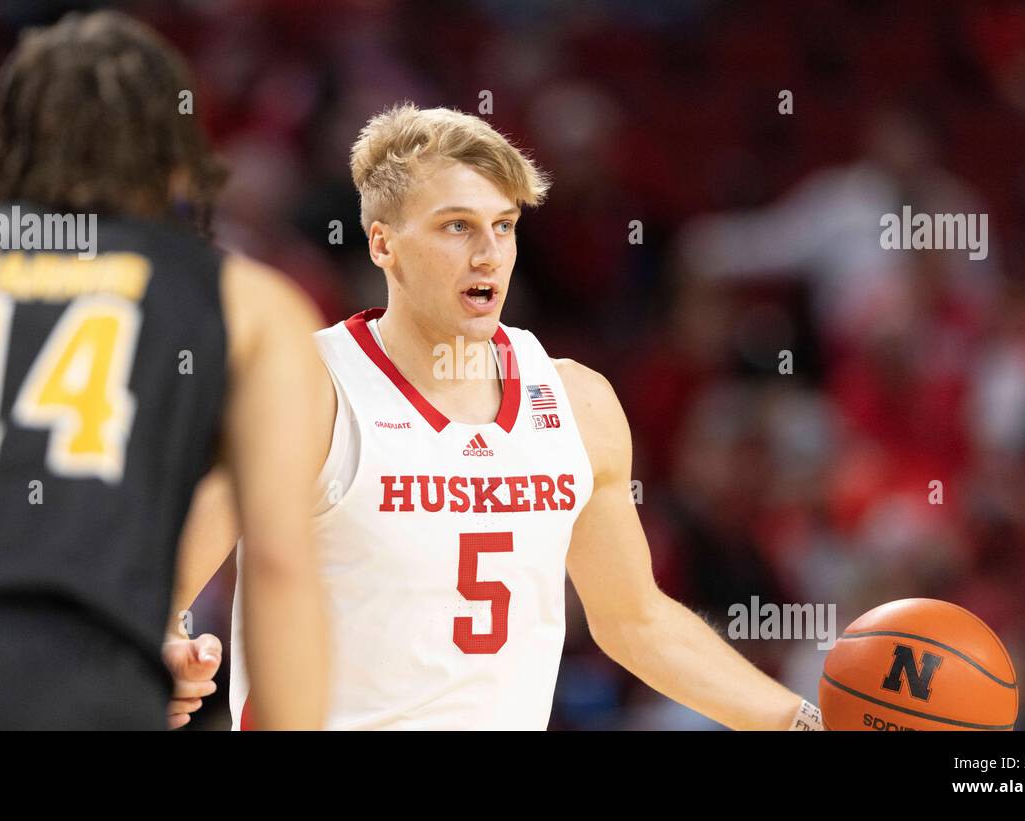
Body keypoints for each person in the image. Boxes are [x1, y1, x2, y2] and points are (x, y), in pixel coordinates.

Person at [172, 104, 822, 731]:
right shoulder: (304, 392)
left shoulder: (576, 401)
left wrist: (797, 720)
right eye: (456, 226)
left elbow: (636, 619)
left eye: (503, 225)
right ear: (383, 243)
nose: (487, 252)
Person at [0, 11, 329, 730]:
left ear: (2, 137)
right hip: (79, 690)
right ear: (177, 159)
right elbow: (281, 567)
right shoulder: (250, 305)